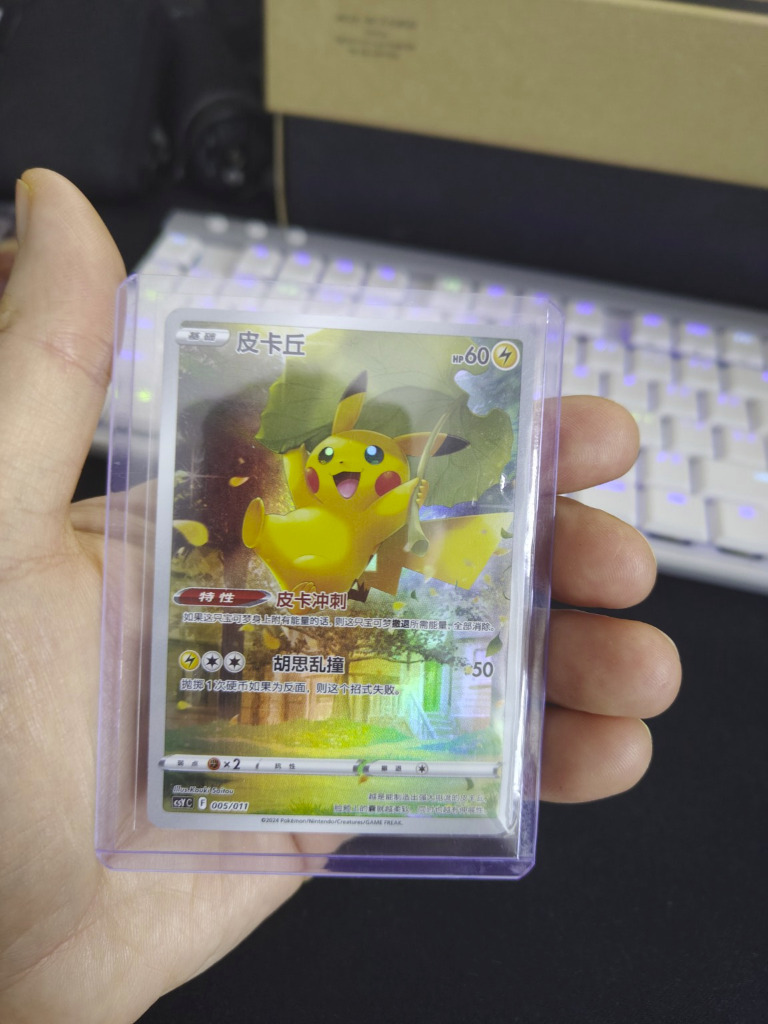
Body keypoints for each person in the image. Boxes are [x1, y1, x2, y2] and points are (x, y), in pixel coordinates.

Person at [0, 169, 681, 1023]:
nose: (346, 465)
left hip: (340, 578)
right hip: (304, 569)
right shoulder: (311, 497)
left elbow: (392, 518)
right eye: (331, 456)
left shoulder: (390, 510)